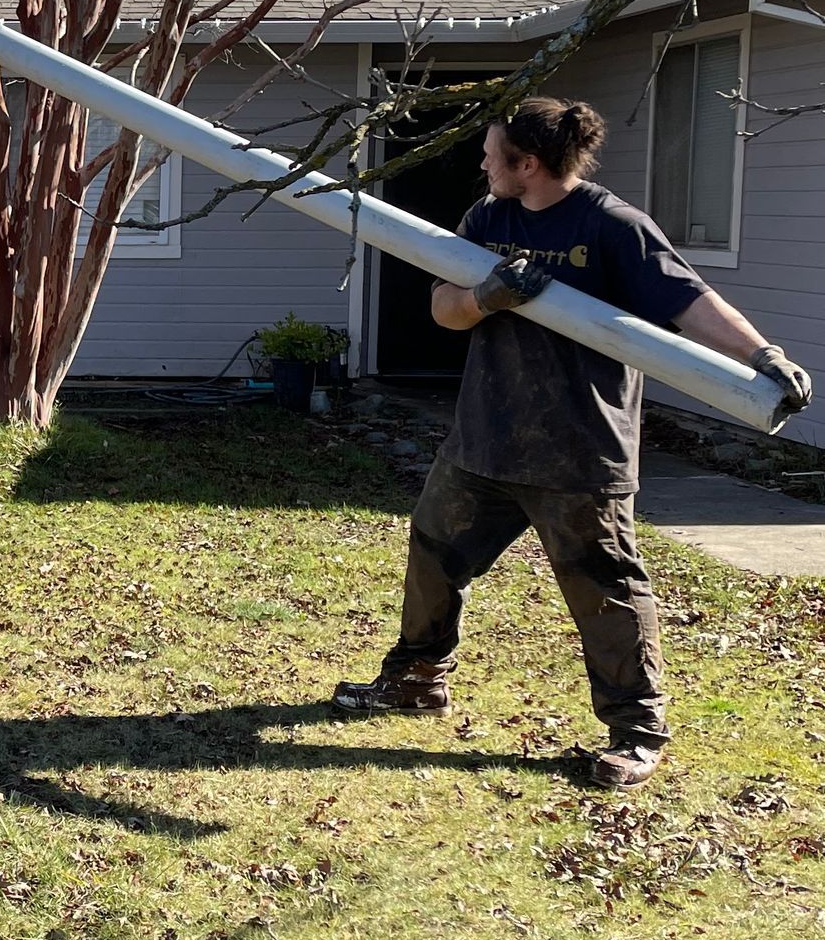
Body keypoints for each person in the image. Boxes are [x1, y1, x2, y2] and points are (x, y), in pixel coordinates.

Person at [333, 97, 812, 787]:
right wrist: (486, 296)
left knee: (605, 591)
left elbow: (689, 300)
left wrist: (762, 355)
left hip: (580, 451)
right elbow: (444, 308)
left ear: (527, 164)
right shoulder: (487, 220)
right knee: (434, 557)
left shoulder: (613, 226)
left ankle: (638, 733)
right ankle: (416, 680)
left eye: (492, 155)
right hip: (485, 441)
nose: (482, 164)